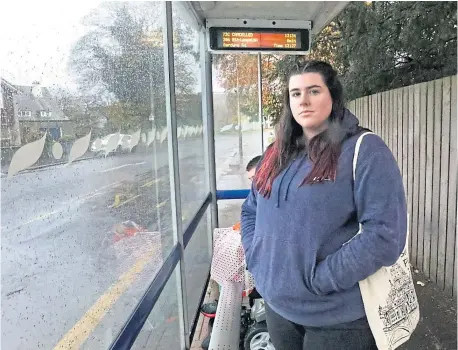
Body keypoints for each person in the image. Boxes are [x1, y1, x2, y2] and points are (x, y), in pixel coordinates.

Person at [241, 61, 407, 350]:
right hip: (278, 307)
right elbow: (251, 209)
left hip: (336, 318)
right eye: (295, 93)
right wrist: (258, 257)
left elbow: (385, 235)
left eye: (313, 91)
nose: (303, 101)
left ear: (332, 95)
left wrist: (320, 279)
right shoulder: (275, 153)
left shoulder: (365, 150)